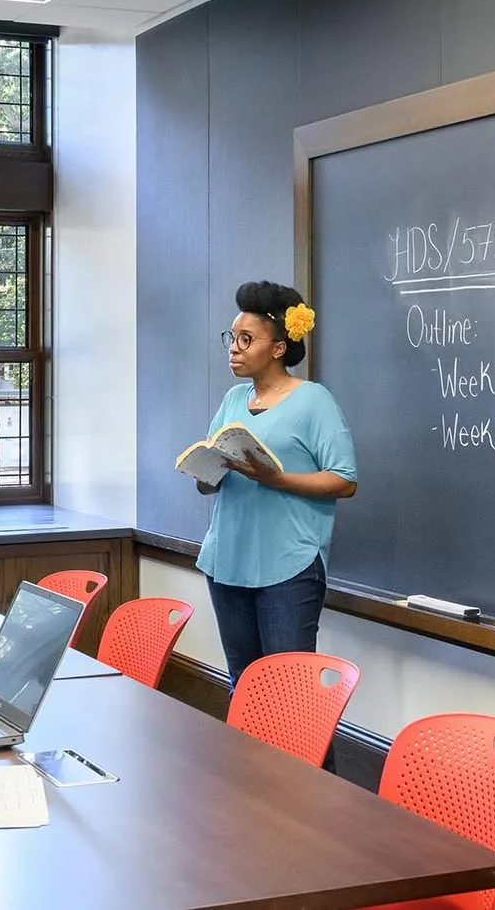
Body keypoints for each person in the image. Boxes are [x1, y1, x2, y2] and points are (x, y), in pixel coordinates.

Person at [194, 281, 358, 689]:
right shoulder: (233, 399)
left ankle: (310, 759)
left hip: (289, 566)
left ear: (279, 348)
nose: (234, 347)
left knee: (290, 695)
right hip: (227, 560)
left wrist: (277, 479)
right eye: (231, 338)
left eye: (246, 339)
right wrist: (205, 472)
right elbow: (211, 480)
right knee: (245, 686)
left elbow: (344, 479)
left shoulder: (314, 401)